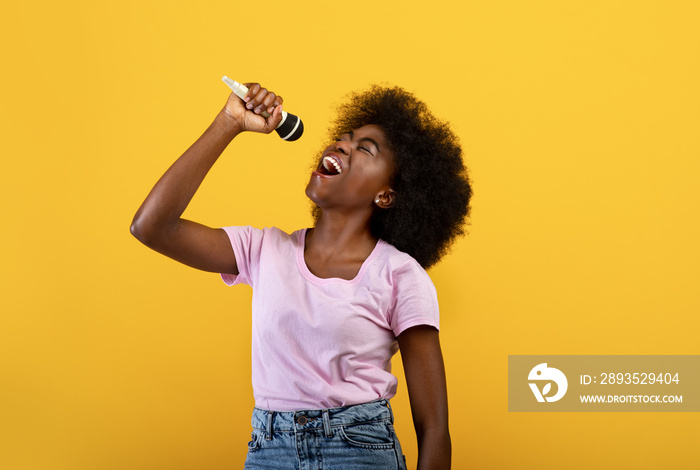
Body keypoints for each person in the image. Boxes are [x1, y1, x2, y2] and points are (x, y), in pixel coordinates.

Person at [131, 81, 472, 470]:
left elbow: (434, 428)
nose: (341, 144)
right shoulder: (263, 250)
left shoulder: (400, 275)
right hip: (269, 450)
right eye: (343, 138)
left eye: (364, 148)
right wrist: (228, 122)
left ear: (386, 195)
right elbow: (151, 227)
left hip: (359, 450)